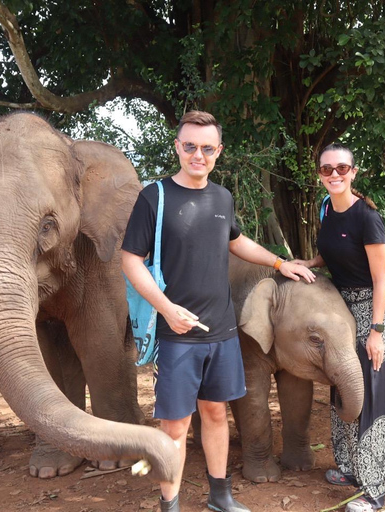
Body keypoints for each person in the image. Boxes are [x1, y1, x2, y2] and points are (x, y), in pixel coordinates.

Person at [121, 110, 315, 512]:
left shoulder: (222, 197)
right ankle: (170, 504)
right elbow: (131, 260)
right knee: (175, 426)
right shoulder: (153, 197)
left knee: (215, 413)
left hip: (222, 331)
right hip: (177, 333)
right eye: (189, 146)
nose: (198, 155)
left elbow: (236, 241)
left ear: (218, 152)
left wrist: (280, 264)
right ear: (177, 146)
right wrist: (166, 308)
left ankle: (219, 495)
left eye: (207, 148)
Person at [293, 143, 385, 512]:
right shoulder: (328, 210)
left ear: (353, 172)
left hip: (371, 308)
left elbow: (380, 279)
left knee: (370, 392)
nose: (334, 175)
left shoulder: (366, 217)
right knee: (342, 383)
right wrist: (310, 261)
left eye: (341, 169)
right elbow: (334, 251)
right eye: (326, 170)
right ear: (319, 174)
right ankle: (350, 468)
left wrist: (377, 330)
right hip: (340, 310)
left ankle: (373, 491)